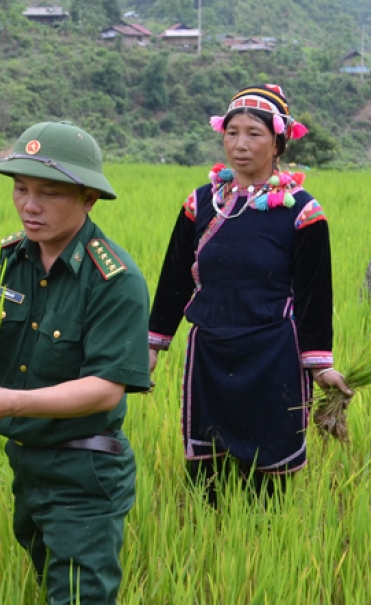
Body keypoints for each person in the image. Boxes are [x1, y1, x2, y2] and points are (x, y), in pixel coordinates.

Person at [0, 122, 151, 605]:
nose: (29, 205)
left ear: (88, 198)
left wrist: (8, 402)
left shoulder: (114, 280)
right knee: (57, 594)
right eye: (21, 189)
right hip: (28, 463)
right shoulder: (6, 260)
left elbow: (106, 388)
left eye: (49, 192)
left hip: (84, 470)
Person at [147, 84, 351, 503]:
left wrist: (321, 368)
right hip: (211, 353)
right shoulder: (200, 203)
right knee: (207, 480)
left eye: (254, 134)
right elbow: (174, 279)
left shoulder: (302, 211)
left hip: (273, 356)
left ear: (278, 142)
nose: (240, 145)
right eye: (232, 132)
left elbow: (314, 295)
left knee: (269, 484)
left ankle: (265, 539)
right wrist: (151, 347)